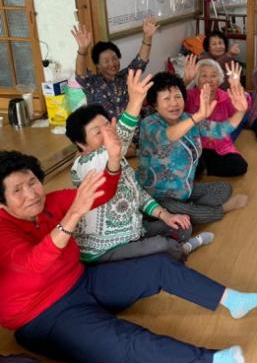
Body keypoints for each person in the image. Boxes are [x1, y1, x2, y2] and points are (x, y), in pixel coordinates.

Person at [0, 150, 257, 363]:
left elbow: (104, 194)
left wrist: (113, 159)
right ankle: (210, 362)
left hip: (82, 282)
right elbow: (34, 263)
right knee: (126, 339)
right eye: (17, 190)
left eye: (32, 182)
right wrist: (73, 215)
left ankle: (233, 300)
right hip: (42, 316)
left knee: (158, 266)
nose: (31, 194)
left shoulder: (49, 202)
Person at [65, 70, 213, 263]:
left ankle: (154, 253)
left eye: (108, 125)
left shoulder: (119, 160)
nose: (108, 132)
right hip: (106, 248)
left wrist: (165, 215)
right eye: (97, 132)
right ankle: (179, 250)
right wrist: (135, 102)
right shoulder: (85, 165)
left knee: (182, 227)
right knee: (162, 245)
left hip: (135, 230)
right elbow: (121, 141)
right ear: (82, 144)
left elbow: (138, 194)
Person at [137, 72, 249, 224]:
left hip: (184, 190)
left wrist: (241, 111)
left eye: (178, 97)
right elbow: (169, 135)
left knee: (224, 188)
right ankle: (217, 210)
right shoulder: (149, 124)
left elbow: (220, 130)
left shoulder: (186, 117)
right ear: (155, 104)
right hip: (156, 196)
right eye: (166, 99)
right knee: (184, 219)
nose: (174, 103)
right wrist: (197, 117)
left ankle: (189, 210)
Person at [72, 18, 158, 120]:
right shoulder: (93, 83)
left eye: (114, 58)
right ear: (98, 65)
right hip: (107, 129)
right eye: (106, 61)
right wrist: (82, 50)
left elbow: (140, 62)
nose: (112, 63)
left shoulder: (126, 77)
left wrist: (147, 37)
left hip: (131, 127)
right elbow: (81, 74)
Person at [184, 57, 249, 176]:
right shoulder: (189, 96)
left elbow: (244, 104)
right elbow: (176, 99)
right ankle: (202, 168)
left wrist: (237, 85)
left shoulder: (226, 97)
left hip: (220, 147)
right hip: (194, 146)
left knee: (240, 166)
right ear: (196, 78)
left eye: (213, 75)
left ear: (219, 79)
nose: (209, 79)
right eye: (204, 75)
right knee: (192, 164)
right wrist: (185, 81)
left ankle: (204, 169)